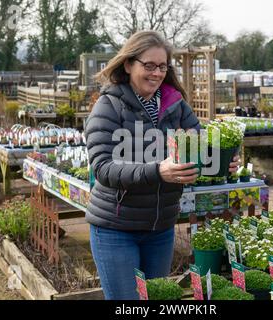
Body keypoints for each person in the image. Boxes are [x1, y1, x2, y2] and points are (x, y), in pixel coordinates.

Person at [85, 30, 240, 300]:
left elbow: (200, 146)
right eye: (148, 65)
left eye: (162, 66)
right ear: (128, 64)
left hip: (160, 228)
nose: (156, 73)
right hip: (116, 228)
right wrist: (158, 171)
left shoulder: (175, 105)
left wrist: (222, 161)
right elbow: (103, 168)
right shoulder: (109, 106)